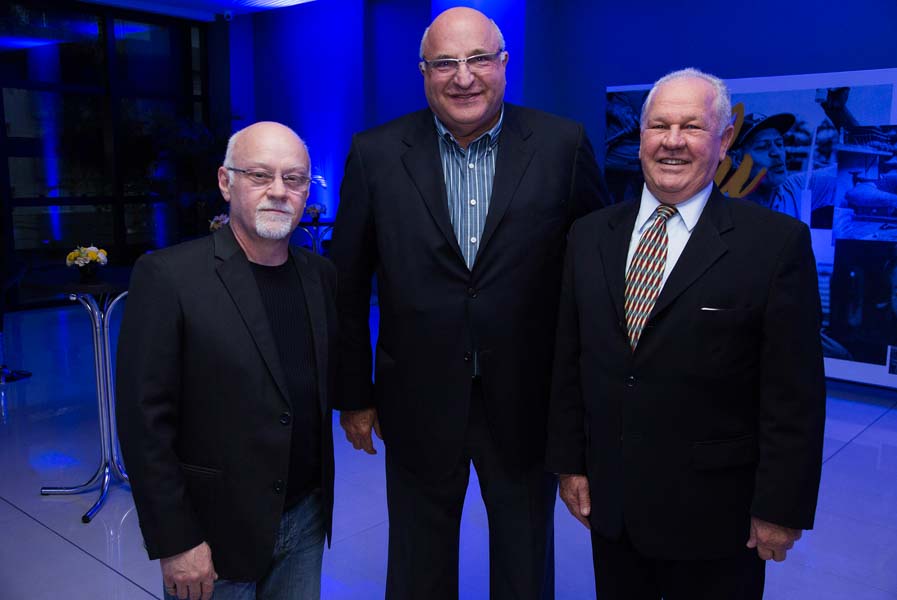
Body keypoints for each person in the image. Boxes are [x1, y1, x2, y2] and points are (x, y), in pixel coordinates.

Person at [330, 7, 607, 599]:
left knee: (525, 562)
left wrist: (585, 402)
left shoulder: (562, 146)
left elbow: (596, 278)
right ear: (423, 72)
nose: (463, 77)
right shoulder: (375, 154)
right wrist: (353, 396)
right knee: (417, 564)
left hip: (527, 400)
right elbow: (346, 285)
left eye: (479, 59)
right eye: (445, 63)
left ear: (504, 63)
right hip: (415, 399)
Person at [546, 68, 825, 599]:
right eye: (659, 126)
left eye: (692, 127)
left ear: (724, 141)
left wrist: (780, 506)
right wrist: (569, 465)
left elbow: (794, 394)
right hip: (615, 507)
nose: (672, 141)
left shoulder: (774, 245)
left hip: (717, 518)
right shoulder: (589, 236)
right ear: (641, 137)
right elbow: (570, 359)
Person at [116, 121, 337, 600]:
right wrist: (176, 540)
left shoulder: (320, 276)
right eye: (259, 175)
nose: (278, 191)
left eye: (294, 178)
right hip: (214, 534)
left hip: (305, 518)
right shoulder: (169, 277)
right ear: (225, 181)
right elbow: (143, 422)